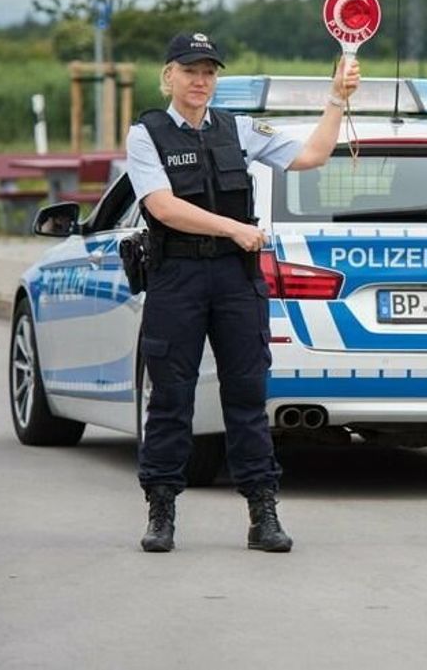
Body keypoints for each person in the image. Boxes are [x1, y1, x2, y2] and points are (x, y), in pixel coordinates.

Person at [127, 32, 360, 551]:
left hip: (236, 280)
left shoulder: (238, 130)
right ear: (169, 75)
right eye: (190, 70)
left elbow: (314, 156)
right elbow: (162, 207)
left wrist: (336, 100)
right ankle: (161, 512)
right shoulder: (147, 134)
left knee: (248, 398)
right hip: (178, 277)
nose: (201, 80)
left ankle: (263, 514)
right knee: (170, 399)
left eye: (209, 71)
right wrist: (233, 228)